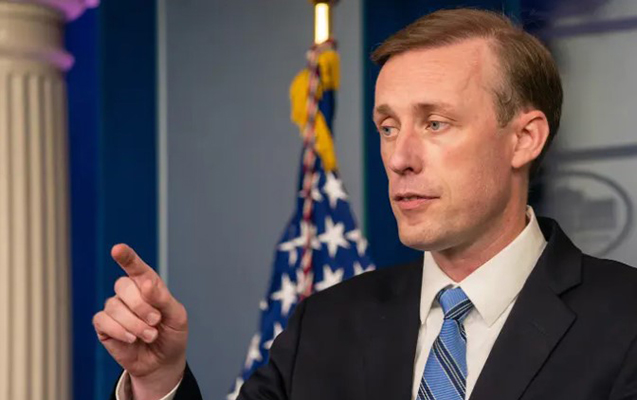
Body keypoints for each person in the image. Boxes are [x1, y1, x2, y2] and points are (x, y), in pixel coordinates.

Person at [93, 8, 637, 400]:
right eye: (388, 127)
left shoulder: (625, 320)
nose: (399, 158)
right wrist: (158, 381)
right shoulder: (325, 323)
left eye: (435, 123)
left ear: (524, 138)